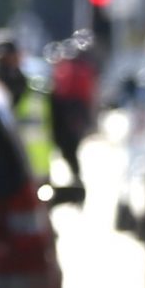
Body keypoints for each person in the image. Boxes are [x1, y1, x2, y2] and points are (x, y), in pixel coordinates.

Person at [47, 36, 98, 190]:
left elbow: (86, 96)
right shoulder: (69, 68)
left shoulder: (79, 70)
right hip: (64, 113)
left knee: (69, 147)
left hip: (72, 113)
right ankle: (75, 178)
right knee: (66, 147)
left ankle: (76, 180)